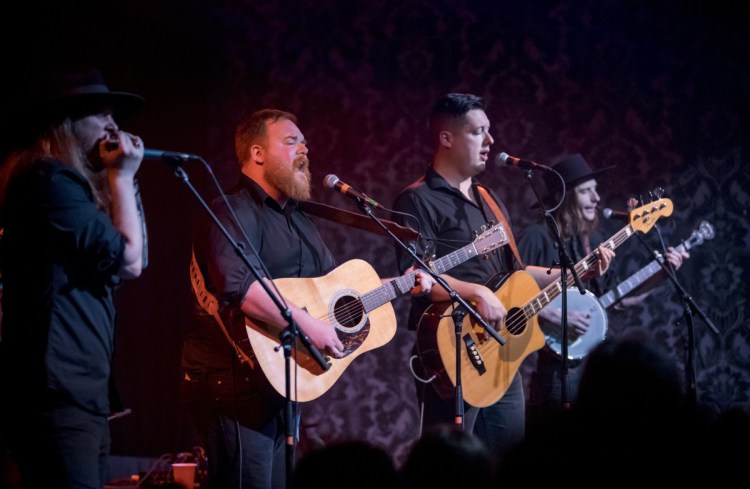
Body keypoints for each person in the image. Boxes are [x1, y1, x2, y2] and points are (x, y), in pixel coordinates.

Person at [180, 108, 434, 489]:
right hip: (233, 380)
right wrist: (309, 325)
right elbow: (240, 288)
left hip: (279, 385)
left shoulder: (300, 220)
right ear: (257, 153)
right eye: (291, 141)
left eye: (304, 142)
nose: (305, 148)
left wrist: (399, 282)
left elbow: (334, 291)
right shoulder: (232, 209)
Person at [391, 93, 614, 463]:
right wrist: (477, 292)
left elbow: (516, 272)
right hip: (452, 347)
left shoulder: (488, 198)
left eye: (489, 131)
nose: (491, 142)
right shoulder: (418, 199)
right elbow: (419, 276)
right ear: (447, 138)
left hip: (501, 352)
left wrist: (576, 271)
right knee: (451, 468)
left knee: (508, 461)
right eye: (479, 132)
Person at [0, 64, 147, 489]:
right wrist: (122, 176)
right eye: (100, 115)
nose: (112, 125)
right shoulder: (46, 177)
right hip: (55, 391)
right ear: (67, 123)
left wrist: (127, 182)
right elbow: (130, 261)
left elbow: (140, 260)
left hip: (82, 391)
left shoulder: (70, 185)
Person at [516, 153, 689, 421]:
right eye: (586, 192)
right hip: (556, 371)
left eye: (595, 190)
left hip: (592, 366)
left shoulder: (592, 240)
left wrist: (660, 274)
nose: (597, 199)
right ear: (565, 198)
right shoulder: (536, 237)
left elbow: (614, 299)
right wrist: (553, 314)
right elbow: (510, 294)